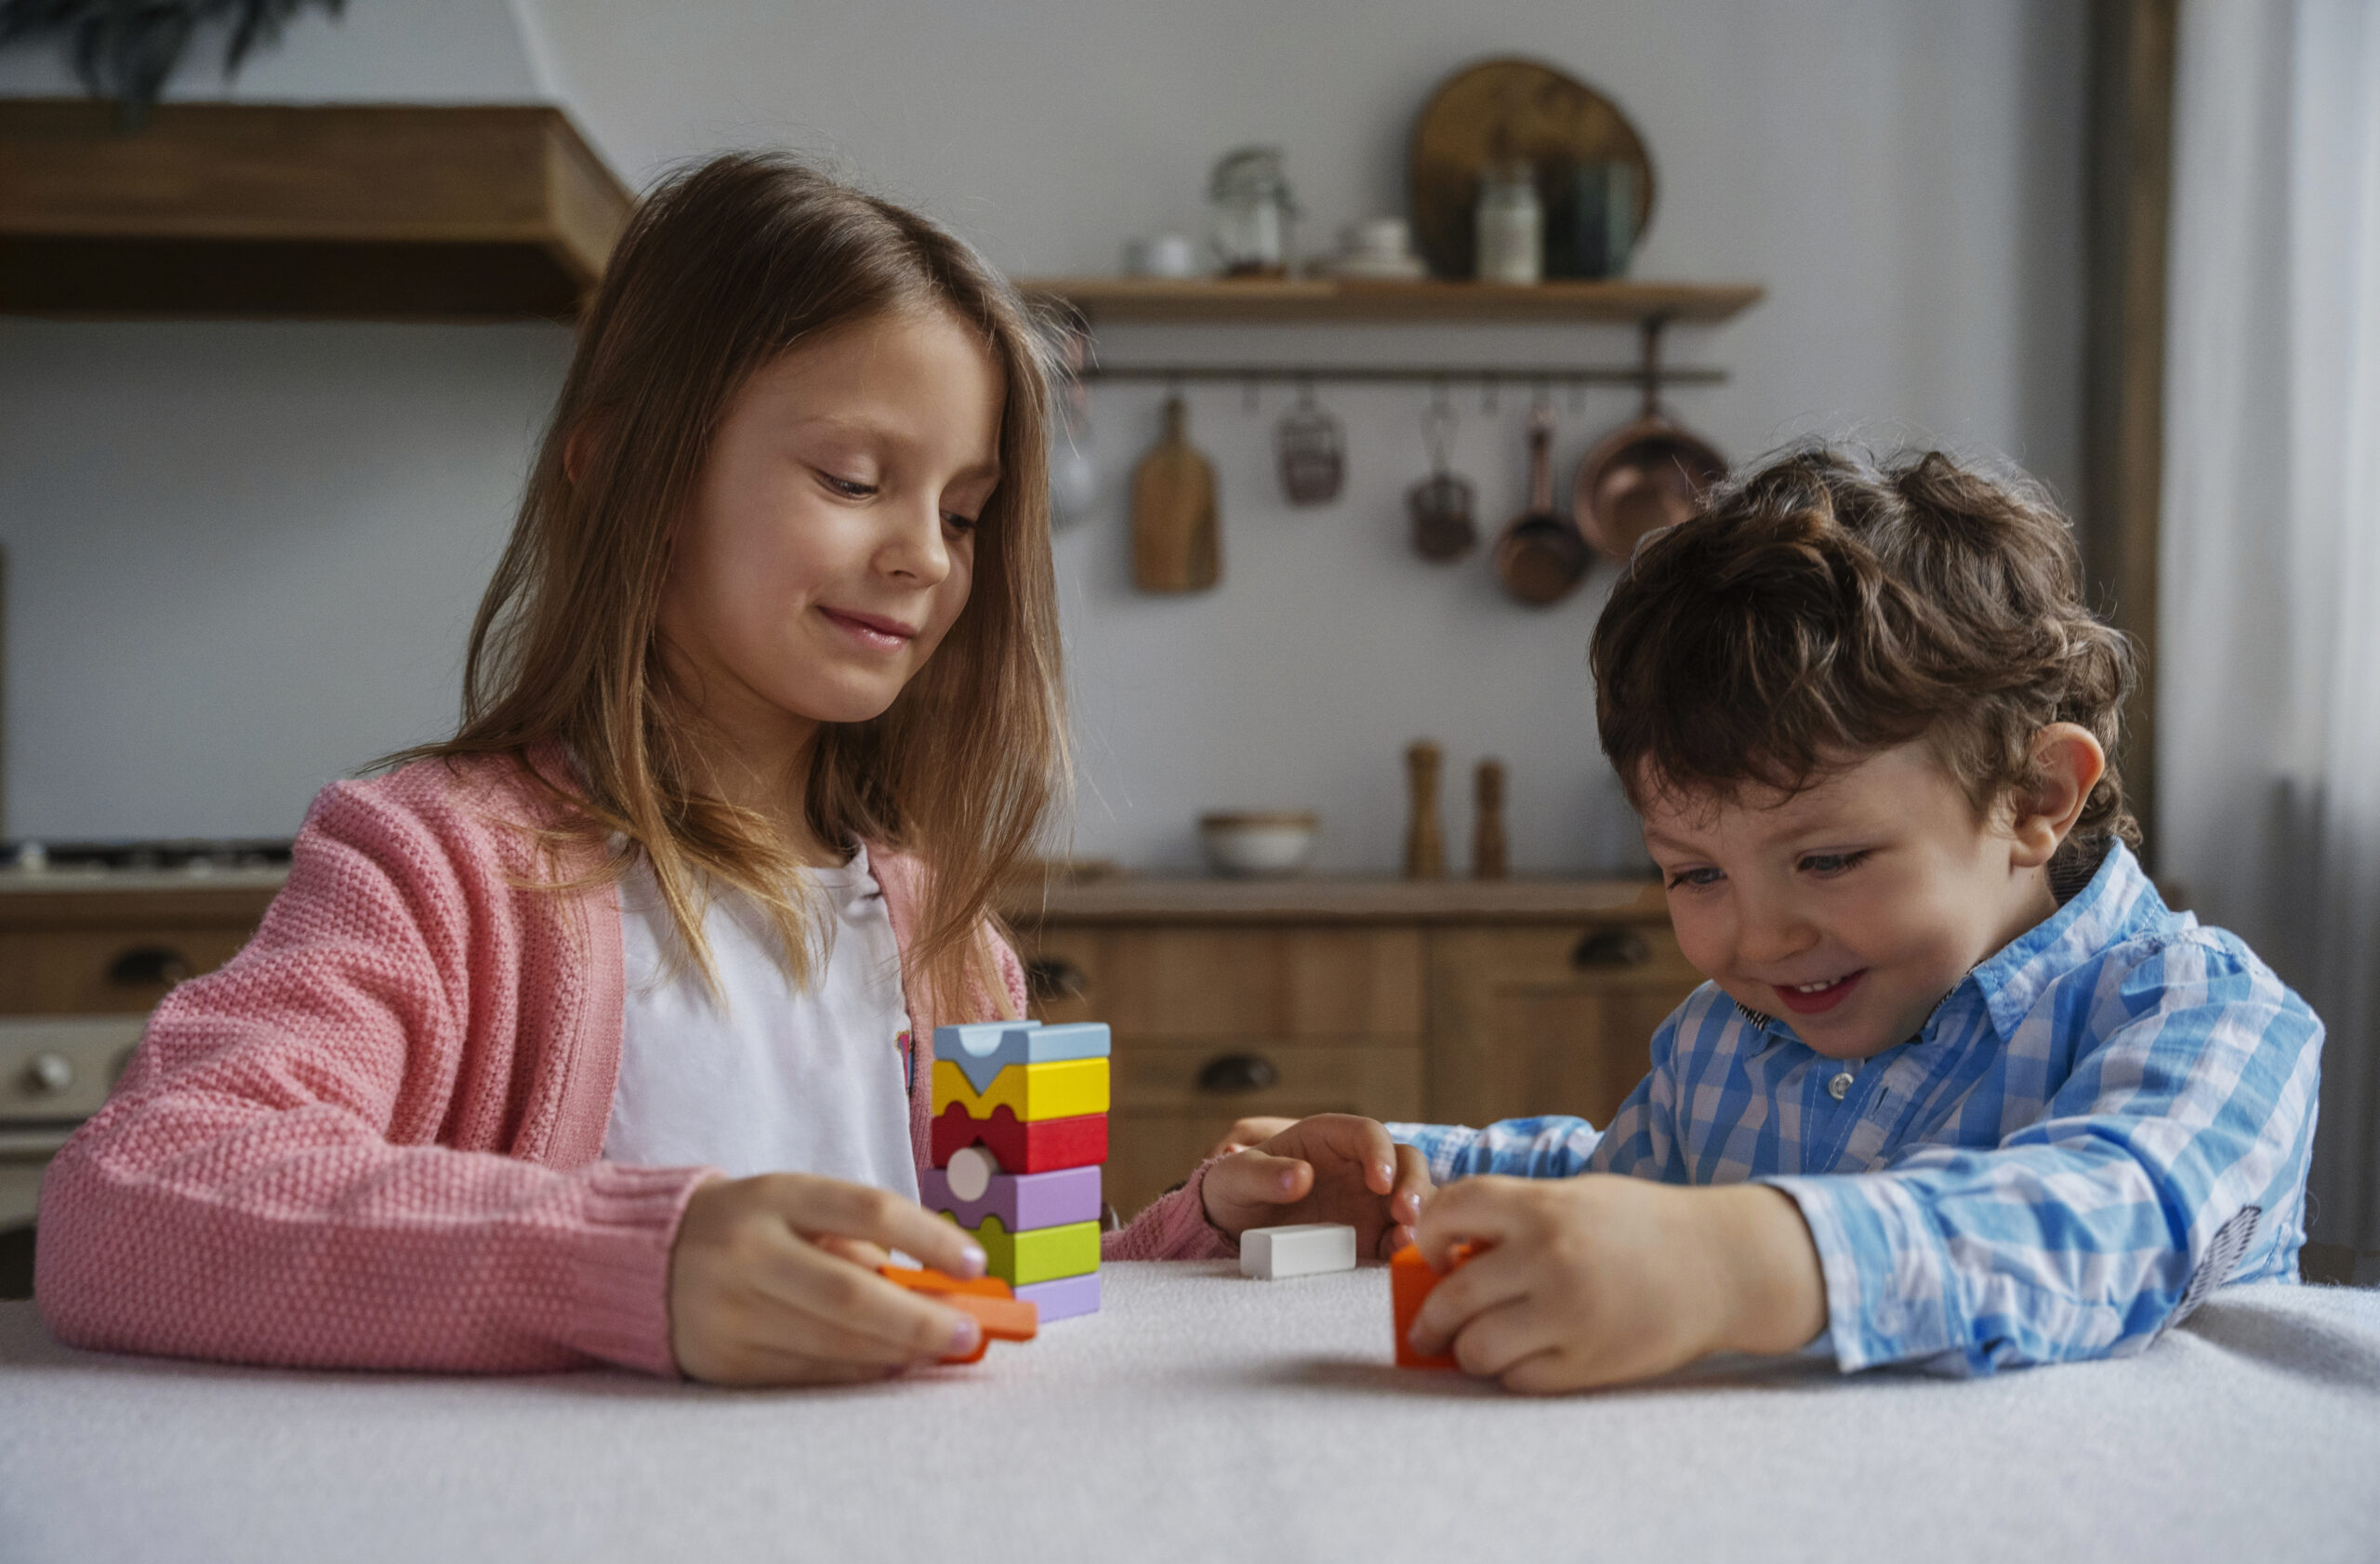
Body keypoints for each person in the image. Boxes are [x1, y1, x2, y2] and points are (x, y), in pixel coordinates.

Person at [34, 153, 1426, 1385]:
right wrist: (643, 1262)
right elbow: (133, 1197)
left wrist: (1208, 1231)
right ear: (624, 469)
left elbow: (979, 1289)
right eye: (851, 479)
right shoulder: (437, 867)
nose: (928, 558)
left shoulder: (944, 934)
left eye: (963, 509)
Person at [1223, 446, 2322, 1393]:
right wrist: (1399, 1184)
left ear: (2033, 798)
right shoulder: (1731, 1034)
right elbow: (1621, 1194)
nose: (1754, 941)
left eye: (1830, 859)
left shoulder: (2202, 1014)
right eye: (1694, 876)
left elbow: (2110, 1222)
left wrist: (1740, 1262)